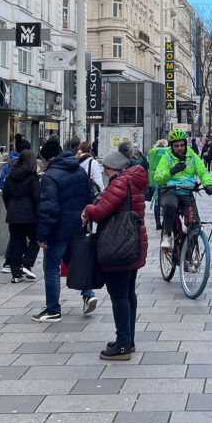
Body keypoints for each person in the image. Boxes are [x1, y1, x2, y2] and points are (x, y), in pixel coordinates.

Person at [82, 149, 148, 360]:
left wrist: (88, 209)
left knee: (119, 296)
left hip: (118, 247)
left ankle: (122, 346)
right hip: (133, 245)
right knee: (128, 293)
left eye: (105, 169)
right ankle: (128, 339)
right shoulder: (133, 181)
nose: (104, 172)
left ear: (112, 169)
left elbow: (101, 211)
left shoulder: (119, 183)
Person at [34, 140, 97, 321]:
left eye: (42, 160)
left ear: (47, 159)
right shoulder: (78, 170)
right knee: (73, 261)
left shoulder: (50, 176)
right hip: (77, 225)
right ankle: (88, 293)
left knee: (52, 267)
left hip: (59, 230)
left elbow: (49, 209)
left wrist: (43, 235)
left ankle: (53, 309)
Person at [153, 129, 212, 251]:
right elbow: (158, 178)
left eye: (182, 145)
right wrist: (172, 171)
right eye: (176, 146)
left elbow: (202, 171)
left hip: (187, 192)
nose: (180, 148)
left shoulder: (192, 156)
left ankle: (189, 259)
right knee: (169, 206)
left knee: (194, 224)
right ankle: (167, 235)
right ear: (172, 146)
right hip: (171, 191)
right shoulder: (166, 158)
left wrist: (208, 184)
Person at [1, 149, 40, 284]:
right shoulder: (33, 177)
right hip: (30, 215)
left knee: (16, 243)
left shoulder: (10, 176)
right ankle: (27, 264)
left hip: (13, 214)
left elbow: (5, 196)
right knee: (36, 238)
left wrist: (10, 209)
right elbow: (37, 198)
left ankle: (16, 274)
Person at [146, 139, 170, 230]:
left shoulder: (151, 152)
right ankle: (165, 221)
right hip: (164, 181)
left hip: (153, 181)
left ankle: (157, 223)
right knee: (165, 203)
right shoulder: (167, 152)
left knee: (157, 203)